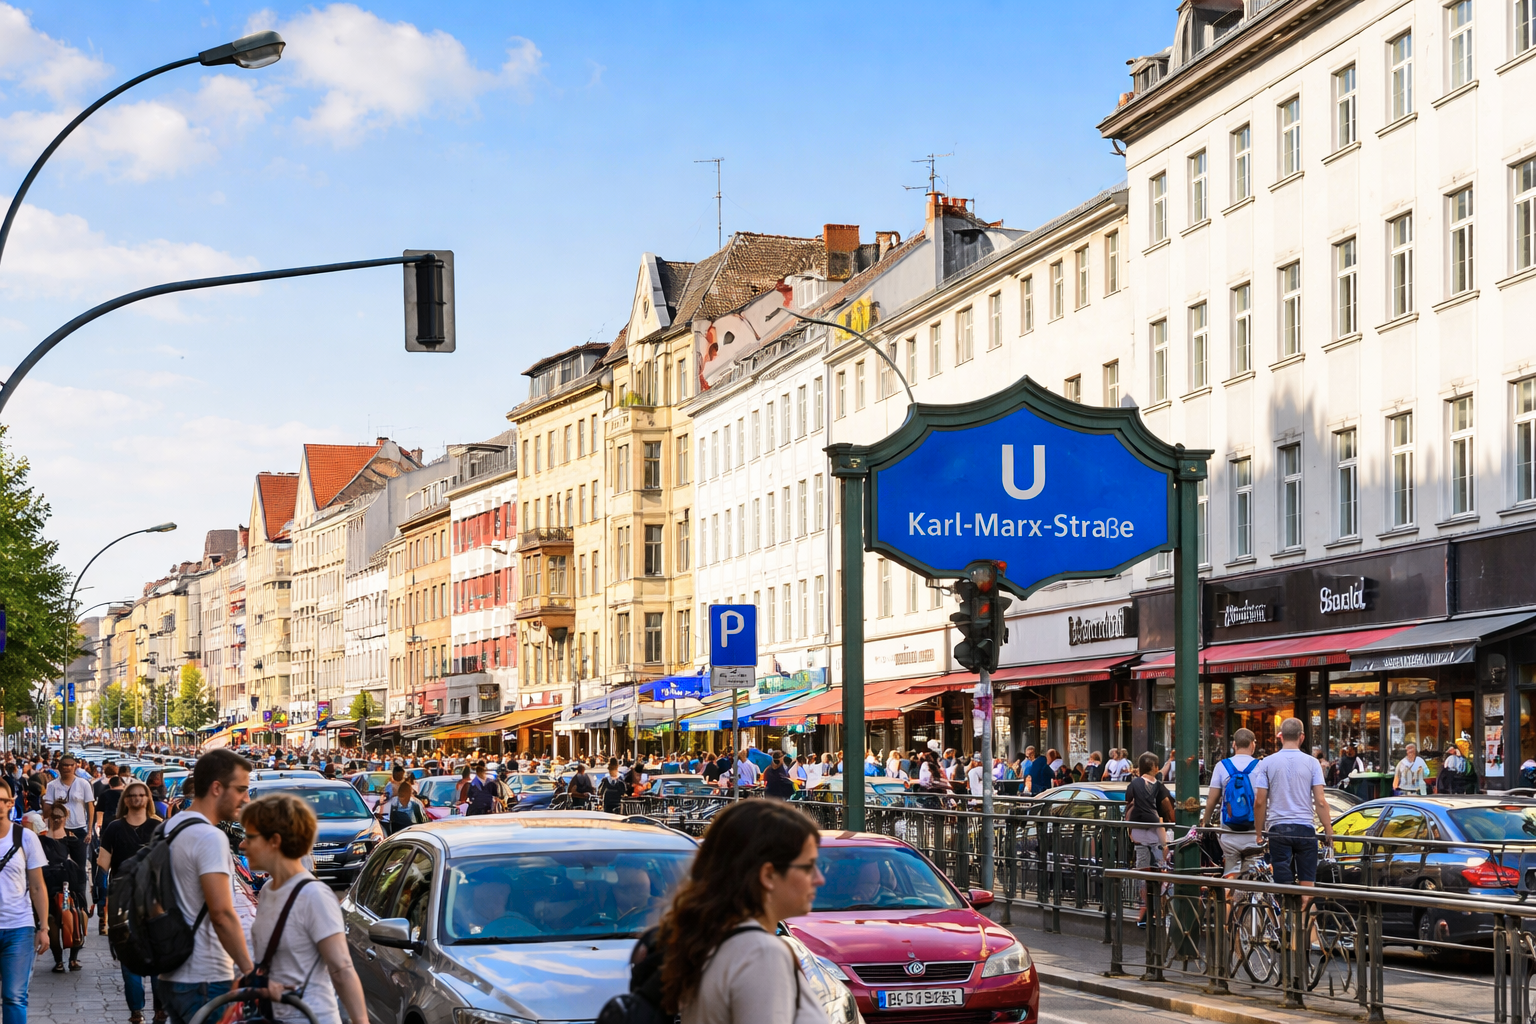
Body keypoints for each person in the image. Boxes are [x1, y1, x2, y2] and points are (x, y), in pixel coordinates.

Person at [659, 800, 829, 1024]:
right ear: (768, 875)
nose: (819, 879)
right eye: (808, 866)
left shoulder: (714, 939)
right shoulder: (761, 953)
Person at [239, 794, 369, 1024]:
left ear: (274, 841)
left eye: (250, 837)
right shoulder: (269, 891)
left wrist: (361, 1021)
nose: (242, 844)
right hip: (275, 1016)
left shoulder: (314, 895)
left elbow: (341, 969)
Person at [161, 748, 256, 1024]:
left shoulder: (171, 827)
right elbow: (222, 914)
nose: (246, 798)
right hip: (206, 977)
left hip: (173, 973)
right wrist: (250, 972)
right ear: (217, 788)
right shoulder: (209, 837)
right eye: (241, 789)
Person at [99, 781, 161, 1024]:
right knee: (129, 957)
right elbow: (103, 865)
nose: (136, 799)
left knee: (158, 956)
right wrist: (101, 897)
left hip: (154, 900)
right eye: (131, 795)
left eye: (141, 795)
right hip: (122, 901)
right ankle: (136, 1011)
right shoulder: (114, 828)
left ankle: (160, 1008)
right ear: (125, 800)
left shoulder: (158, 826)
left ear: (147, 799)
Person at [1252, 718, 1334, 892]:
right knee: (1307, 886)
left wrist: (1259, 833)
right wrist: (1328, 829)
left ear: (1280, 737)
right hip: (1305, 828)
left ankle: (1286, 917)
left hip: (1278, 829)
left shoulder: (1266, 763)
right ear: (1302, 737)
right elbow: (1320, 801)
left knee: (1283, 887)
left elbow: (1260, 802)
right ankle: (1302, 913)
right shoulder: (1312, 763)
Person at [0, 779, 50, 1024]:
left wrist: (43, 928)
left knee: (14, 996)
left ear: (11, 804)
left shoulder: (26, 838)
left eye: (2, 801)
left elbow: (38, 886)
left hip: (19, 927)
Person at [1200, 729, 1261, 878]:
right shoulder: (1260, 766)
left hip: (1229, 831)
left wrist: (1205, 822)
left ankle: (1230, 898)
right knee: (1251, 874)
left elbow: (1212, 799)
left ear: (1234, 745)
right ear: (1253, 745)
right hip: (1253, 833)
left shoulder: (1222, 766)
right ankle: (1247, 896)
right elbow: (1263, 800)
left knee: (1231, 871)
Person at [1126, 752, 1175, 927]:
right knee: (1160, 874)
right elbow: (1167, 813)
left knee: (1144, 874)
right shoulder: (1160, 788)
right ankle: (1159, 912)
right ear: (1154, 767)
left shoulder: (1134, 784)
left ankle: (1144, 913)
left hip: (1138, 837)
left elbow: (1128, 803)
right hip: (1157, 836)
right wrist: (1165, 844)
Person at [39, 802, 88, 973]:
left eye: (60, 816)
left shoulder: (73, 841)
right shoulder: (41, 840)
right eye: (54, 816)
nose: (57, 819)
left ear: (66, 817)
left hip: (71, 888)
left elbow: (81, 868)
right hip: (49, 888)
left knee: (77, 918)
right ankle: (59, 960)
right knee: (52, 922)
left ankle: (72, 959)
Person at [42, 756, 94, 872]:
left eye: (70, 765)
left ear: (75, 766)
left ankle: (79, 889)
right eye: (64, 765)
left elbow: (90, 807)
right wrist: (55, 805)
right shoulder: (52, 786)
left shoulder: (83, 784)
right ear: (59, 767)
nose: (67, 768)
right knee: (58, 866)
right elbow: (46, 812)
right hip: (59, 830)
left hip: (79, 829)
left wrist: (90, 830)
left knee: (79, 867)